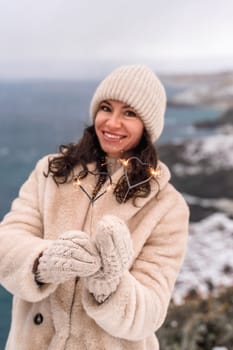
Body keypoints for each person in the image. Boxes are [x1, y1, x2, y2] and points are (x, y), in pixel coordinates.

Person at [0, 64, 189, 350]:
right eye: (106, 107)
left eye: (129, 113)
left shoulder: (167, 206)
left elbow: (150, 313)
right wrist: (42, 262)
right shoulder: (50, 172)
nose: (112, 123)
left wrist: (110, 286)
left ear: (147, 126)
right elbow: (6, 245)